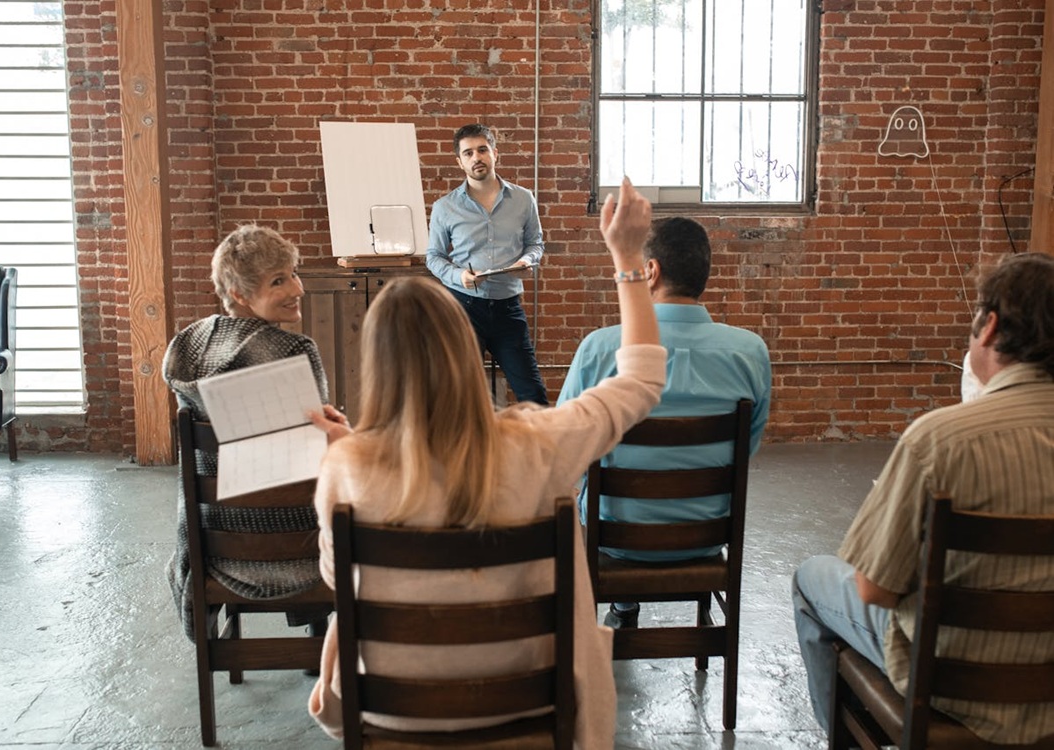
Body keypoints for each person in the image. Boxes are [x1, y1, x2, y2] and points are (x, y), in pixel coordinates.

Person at [306, 178, 664, 748]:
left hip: (395, 724)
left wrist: (347, 453)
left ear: (374, 367)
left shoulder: (344, 464)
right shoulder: (540, 444)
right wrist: (627, 256)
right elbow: (642, 380)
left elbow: (336, 579)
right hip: (529, 718)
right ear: (465, 352)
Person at [791, 252, 1054, 745]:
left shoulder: (939, 441)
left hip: (952, 687)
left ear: (990, 328)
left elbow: (875, 590)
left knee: (812, 580)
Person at [557, 216, 771, 629]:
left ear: (650, 272)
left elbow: (567, 448)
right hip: (707, 534)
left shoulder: (601, 349)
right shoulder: (750, 352)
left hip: (614, 538)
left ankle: (621, 607)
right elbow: (747, 448)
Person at [162, 224, 333, 643]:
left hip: (215, 539)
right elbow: (317, 450)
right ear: (240, 294)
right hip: (297, 547)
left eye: (294, 273)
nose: (296, 288)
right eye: (278, 281)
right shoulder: (294, 352)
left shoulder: (188, 346)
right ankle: (325, 636)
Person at [425, 123, 549, 405]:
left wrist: (526, 261)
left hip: (508, 308)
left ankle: (542, 450)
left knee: (533, 394)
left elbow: (535, 244)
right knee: (458, 397)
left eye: (482, 150)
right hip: (463, 307)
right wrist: (460, 277)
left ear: (495, 153)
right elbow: (433, 256)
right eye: (468, 153)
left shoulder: (523, 198)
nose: (476, 158)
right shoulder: (445, 207)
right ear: (459, 162)